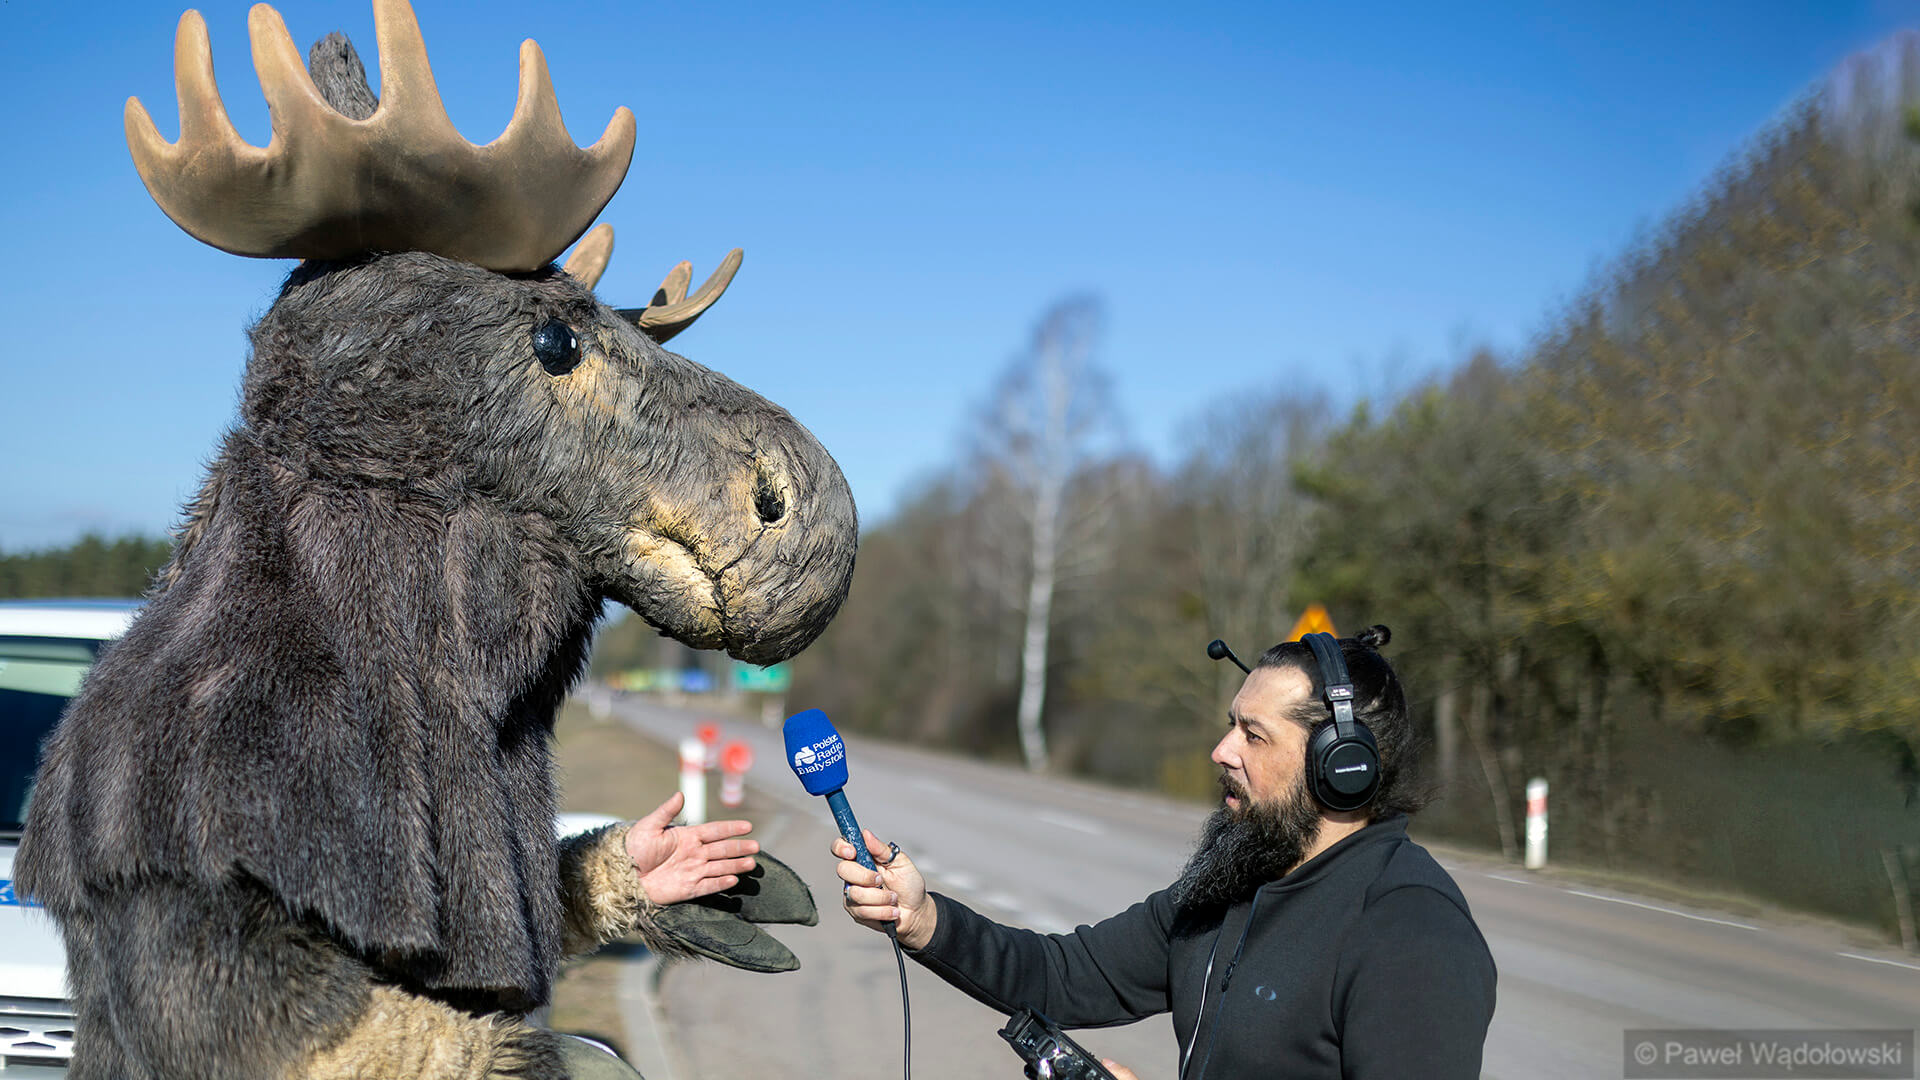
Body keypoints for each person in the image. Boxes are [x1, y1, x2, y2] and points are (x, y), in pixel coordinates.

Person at [834, 625, 1496, 1078]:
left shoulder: (1412, 930)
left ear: (1340, 765)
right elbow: (1064, 974)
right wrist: (924, 921)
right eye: (1229, 725)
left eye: (1253, 736)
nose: (1222, 751)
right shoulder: (1237, 884)